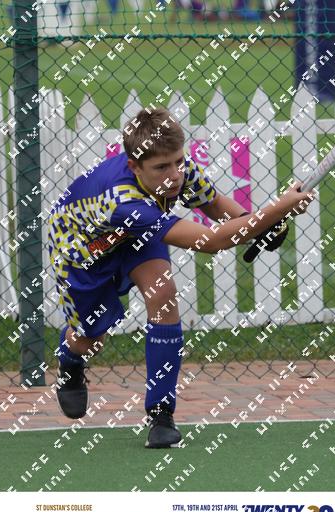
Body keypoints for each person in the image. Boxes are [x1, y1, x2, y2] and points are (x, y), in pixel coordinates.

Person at [47, 107, 315, 448]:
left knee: (163, 295)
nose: (175, 175)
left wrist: (258, 224)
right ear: (135, 166)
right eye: (162, 167)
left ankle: (161, 415)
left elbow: (214, 204)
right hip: (83, 253)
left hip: (136, 237)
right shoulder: (123, 201)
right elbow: (210, 242)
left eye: (178, 161)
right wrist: (274, 212)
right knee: (89, 341)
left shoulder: (175, 169)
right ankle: (71, 361)